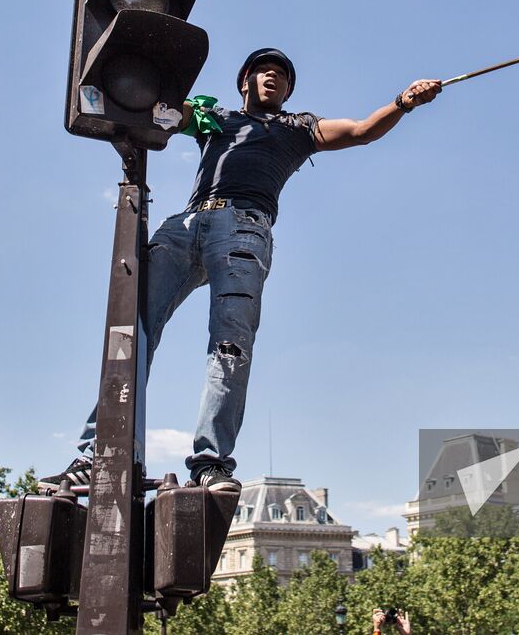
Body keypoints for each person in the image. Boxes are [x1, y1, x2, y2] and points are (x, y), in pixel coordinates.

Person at [44, 48, 442, 492]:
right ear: (245, 82)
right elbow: (162, 117)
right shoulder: (218, 119)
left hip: (244, 230)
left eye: (282, 76)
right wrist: (175, 106)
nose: (273, 78)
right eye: (263, 72)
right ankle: (97, 452)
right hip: (186, 224)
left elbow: (361, 131)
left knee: (229, 345)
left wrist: (403, 103)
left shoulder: (298, 127)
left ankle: (210, 461)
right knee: (131, 332)